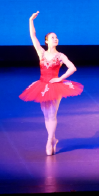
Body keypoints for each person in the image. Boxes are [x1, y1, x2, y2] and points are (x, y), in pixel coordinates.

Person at [20, 11, 84, 156]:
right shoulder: (41, 53)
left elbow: (72, 68)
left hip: (55, 86)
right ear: (47, 41)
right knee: (46, 115)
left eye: (56, 37)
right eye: (52, 37)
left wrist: (60, 78)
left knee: (52, 114)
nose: (55, 39)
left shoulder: (60, 55)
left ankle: (49, 140)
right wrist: (31, 20)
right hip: (42, 85)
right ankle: (53, 139)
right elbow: (33, 36)